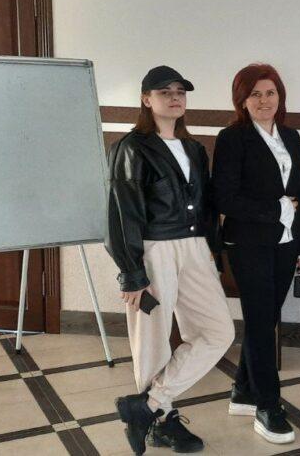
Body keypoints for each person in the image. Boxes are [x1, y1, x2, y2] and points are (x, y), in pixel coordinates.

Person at [106, 65, 234, 455]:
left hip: (194, 248)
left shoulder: (194, 148)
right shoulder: (131, 148)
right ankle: (160, 421)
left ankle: (147, 405)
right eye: (165, 92)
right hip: (154, 249)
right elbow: (121, 213)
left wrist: (211, 251)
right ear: (147, 99)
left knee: (218, 332)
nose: (175, 97)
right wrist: (132, 274)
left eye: (180, 91)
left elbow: (206, 206)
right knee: (152, 341)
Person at [212, 63, 300, 444]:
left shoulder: (290, 135)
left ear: (279, 97)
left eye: (270, 93)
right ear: (242, 100)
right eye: (254, 94)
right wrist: (276, 209)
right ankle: (268, 406)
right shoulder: (232, 138)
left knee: (265, 318)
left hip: (286, 244)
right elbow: (225, 198)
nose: (263, 100)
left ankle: (243, 391)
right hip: (248, 244)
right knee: (259, 322)